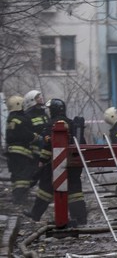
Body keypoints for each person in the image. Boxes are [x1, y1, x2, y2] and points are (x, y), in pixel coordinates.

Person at [29, 98, 88, 226]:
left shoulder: (51, 124)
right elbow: (82, 143)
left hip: (55, 164)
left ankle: (35, 214)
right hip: (73, 163)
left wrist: (41, 162)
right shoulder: (72, 124)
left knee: (45, 188)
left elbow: (47, 146)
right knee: (75, 192)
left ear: (53, 110)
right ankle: (81, 219)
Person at [4, 95, 39, 205]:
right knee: (23, 177)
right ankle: (20, 200)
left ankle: (16, 199)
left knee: (15, 176)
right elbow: (27, 135)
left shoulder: (10, 119)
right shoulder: (23, 119)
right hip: (22, 152)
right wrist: (35, 136)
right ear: (19, 105)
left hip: (11, 153)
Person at [23, 90, 49, 160]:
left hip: (46, 150)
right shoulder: (27, 115)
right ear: (31, 101)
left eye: (40, 96)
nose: (40, 98)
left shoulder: (44, 114)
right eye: (37, 97)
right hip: (34, 152)